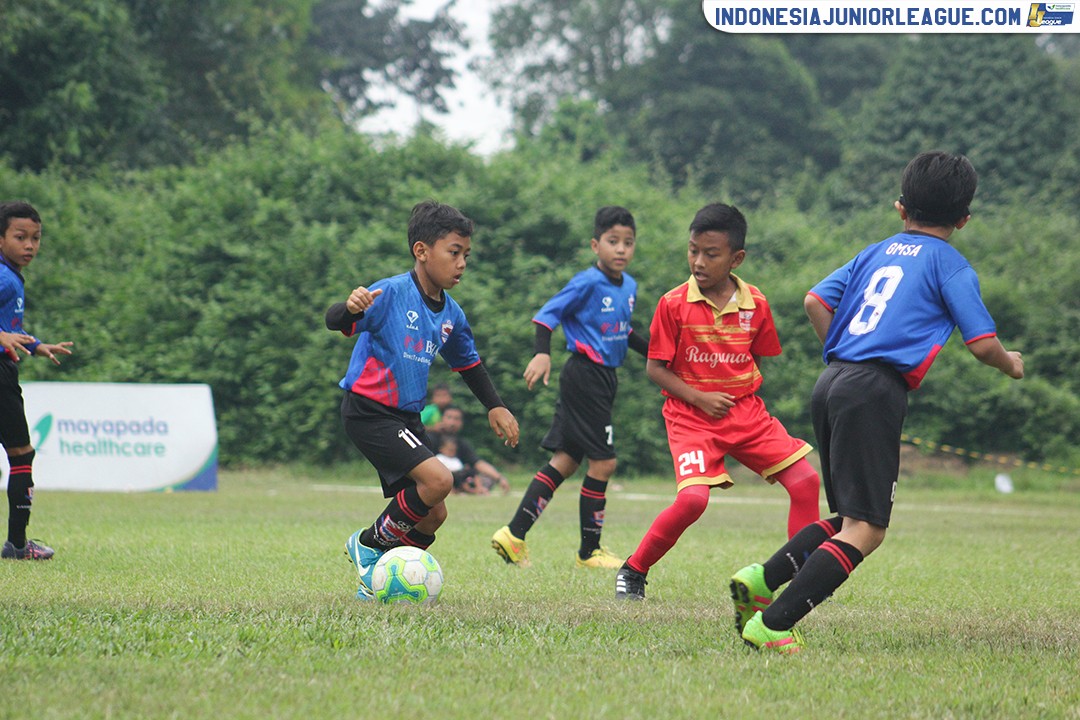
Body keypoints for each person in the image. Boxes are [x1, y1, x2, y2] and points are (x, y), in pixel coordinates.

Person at [729, 151, 1024, 653]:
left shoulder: (876, 252)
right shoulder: (951, 264)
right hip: (872, 388)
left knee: (847, 516)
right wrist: (1010, 363)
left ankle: (762, 579)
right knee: (867, 528)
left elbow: (814, 301)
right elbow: (981, 342)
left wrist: (843, 356)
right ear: (964, 219)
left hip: (834, 379)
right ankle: (774, 624)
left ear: (900, 207)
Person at [614, 203, 821, 601]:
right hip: (691, 416)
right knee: (693, 500)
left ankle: (808, 578)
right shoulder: (672, 304)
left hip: (745, 413)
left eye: (711, 254)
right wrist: (701, 398)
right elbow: (656, 370)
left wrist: (735, 394)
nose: (698, 261)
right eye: (693, 250)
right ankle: (634, 570)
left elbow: (754, 359)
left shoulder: (756, 303)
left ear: (736, 258)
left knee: (806, 481)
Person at [326, 200, 519, 600]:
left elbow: (469, 365)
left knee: (434, 514)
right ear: (421, 251)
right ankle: (367, 545)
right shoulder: (392, 292)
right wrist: (348, 307)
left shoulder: (452, 314)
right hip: (368, 411)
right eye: (454, 252)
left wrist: (495, 405)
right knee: (440, 480)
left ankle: (377, 583)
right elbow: (336, 321)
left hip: (406, 419)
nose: (462, 263)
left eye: (467, 254)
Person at [491, 206, 647, 569]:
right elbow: (547, 317)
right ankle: (589, 552)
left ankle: (513, 535)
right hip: (585, 376)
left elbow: (626, 333)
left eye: (628, 242)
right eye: (612, 242)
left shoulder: (630, 287)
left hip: (603, 379)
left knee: (565, 460)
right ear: (596, 245)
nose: (621, 249)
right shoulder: (586, 282)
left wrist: (663, 355)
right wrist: (541, 354)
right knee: (604, 463)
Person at [0, 201, 74, 560]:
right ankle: (16, 545)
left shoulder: (10, 275)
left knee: (20, 454)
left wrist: (37, 344)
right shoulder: (2, 276)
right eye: (20, 237)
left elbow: (9, 328)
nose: (29, 245)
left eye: (36, 238)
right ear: (0, 239)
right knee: (21, 454)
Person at [427, 405, 511, 494]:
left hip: (459, 479)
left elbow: (477, 463)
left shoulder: (461, 443)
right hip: (436, 477)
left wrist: (499, 478)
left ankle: (470, 489)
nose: (452, 422)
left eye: (456, 419)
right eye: (449, 417)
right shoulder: (430, 439)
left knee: (486, 478)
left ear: (461, 422)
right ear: (442, 419)